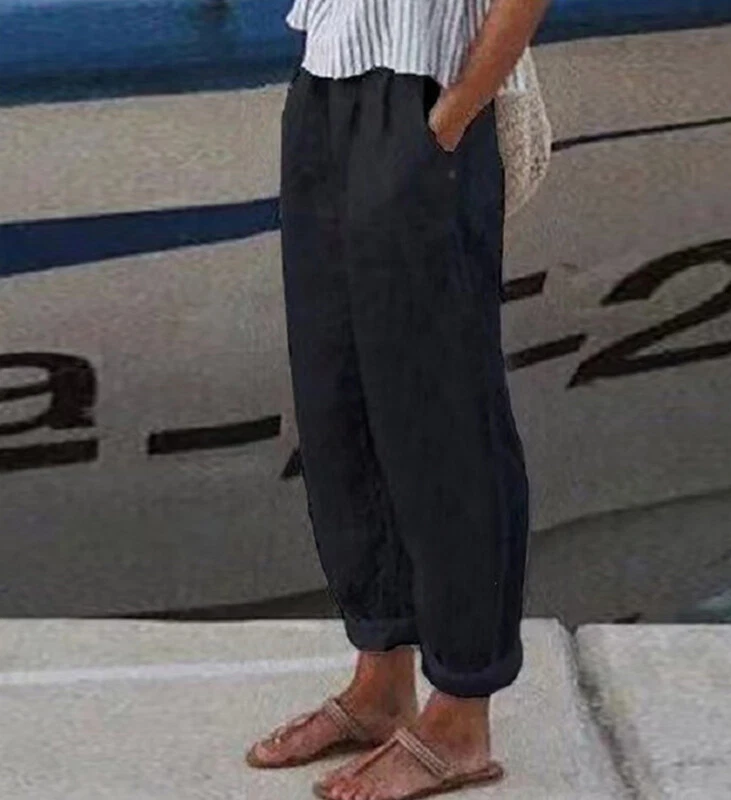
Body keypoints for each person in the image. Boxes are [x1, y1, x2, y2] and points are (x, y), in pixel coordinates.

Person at [247, 1, 552, 798]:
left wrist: (450, 120)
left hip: (427, 95)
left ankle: (460, 714)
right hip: (325, 85)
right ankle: (381, 681)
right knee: (339, 398)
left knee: (442, 409)